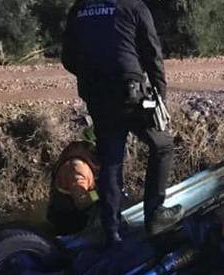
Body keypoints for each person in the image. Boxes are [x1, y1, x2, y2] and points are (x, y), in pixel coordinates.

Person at [61, 0, 184, 243]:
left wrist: (93, 75)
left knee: (111, 161)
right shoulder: (134, 6)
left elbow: (68, 59)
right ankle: (156, 214)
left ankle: (112, 229)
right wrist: (161, 97)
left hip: (97, 96)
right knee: (162, 145)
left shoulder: (79, 8)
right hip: (129, 93)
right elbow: (153, 55)